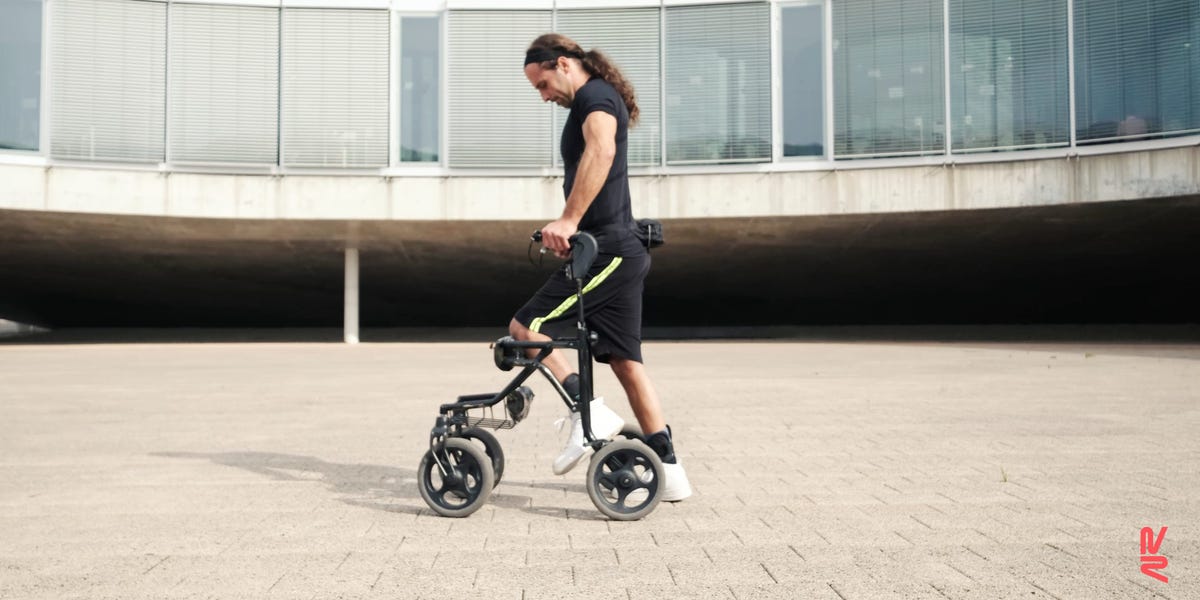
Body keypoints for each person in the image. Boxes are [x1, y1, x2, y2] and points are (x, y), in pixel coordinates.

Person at [510, 33, 691, 501]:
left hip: (611, 251)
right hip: (616, 248)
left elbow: (602, 151)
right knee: (626, 363)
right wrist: (576, 234)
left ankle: (586, 409)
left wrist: (569, 220)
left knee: (526, 327)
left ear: (563, 64)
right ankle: (669, 473)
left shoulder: (594, 98)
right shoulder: (594, 99)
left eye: (543, 84)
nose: (544, 96)